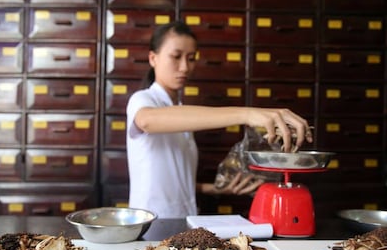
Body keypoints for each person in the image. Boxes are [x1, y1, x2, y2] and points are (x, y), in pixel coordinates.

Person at [126, 21, 313, 218]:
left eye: (191, 58)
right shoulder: (142, 99)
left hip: (183, 218)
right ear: (153, 58)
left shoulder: (179, 111)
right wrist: (247, 114)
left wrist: (215, 189)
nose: (184, 67)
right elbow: (147, 120)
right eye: (176, 56)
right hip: (151, 222)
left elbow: (171, 178)